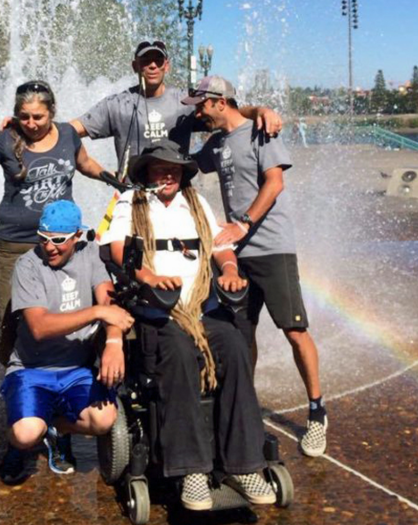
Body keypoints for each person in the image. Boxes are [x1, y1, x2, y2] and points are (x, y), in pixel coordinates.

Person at [100, 139, 275, 510]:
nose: (167, 174)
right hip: (157, 311)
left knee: (234, 347)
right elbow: (117, 249)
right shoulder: (131, 202)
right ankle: (191, 470)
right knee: (177, 354)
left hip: (199, 308)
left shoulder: (196, 203)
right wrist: (147, 276)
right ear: (147, 171)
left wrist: (229, 268)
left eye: (174, 169)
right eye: (160, 168)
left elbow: (218, 246)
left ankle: (243, 465)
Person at [183, 76, 328, 458]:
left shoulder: (261, 132)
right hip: (235, 255)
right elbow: (183, 169)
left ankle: (317, 412)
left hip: (272, 248)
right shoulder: (216, 143)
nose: (198, 114)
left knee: (294, 330)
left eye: (200, 106)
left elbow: (274, 183)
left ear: (218, 102)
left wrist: (244, 222)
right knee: (240, 336)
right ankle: (242, 407)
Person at [0, 80, 108, 366]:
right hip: (15, 245)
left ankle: (70, 374)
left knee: (68, 309)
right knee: (11, 322)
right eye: (24, 117)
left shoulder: (69, 135)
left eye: (39, 117)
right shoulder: (4, 141)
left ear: (52, 112)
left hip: (64, 244)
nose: (31, 123)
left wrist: (112, 178)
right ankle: (15, 380)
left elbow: (86, 164)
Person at [0, 200, 134, 484]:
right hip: (31, 369)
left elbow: (110, 302)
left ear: (76, 237)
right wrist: (97, 312)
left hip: (77, 368)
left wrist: (113, 343)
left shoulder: (91, 255)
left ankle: (57, 430)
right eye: (43, 239)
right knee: (25, 434)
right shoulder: (28, 265)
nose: (49, 247)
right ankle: (19, 441)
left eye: (59, 240)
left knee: (104, 419)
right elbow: (39, 327)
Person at [70, 40, 283, 172]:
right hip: (133, 195)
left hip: (177, 193)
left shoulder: (185, 101)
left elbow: (226, 111)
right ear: (135, 66)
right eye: (146, 61)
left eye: (158, 60)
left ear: (167, 66)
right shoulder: (115, 105)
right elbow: (69, 132)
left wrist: (260, 111)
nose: (153, 65)